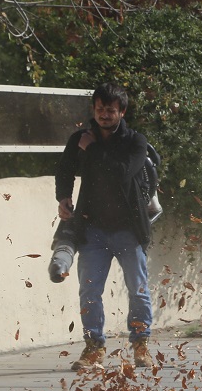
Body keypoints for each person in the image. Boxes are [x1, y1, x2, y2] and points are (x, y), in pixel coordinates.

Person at [55, 82, 157, 369]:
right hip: (92, 230)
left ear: (122, 112)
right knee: (89, 290)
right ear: (93, 110)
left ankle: (140, 345)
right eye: (100, 109)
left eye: (110, 110)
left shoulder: (135, 142)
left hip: (129, 229)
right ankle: (93, 348)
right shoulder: (80, 139)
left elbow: (122, 173)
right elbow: (64, 169)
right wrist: (63, 197)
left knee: (137, 288)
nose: (104, 115)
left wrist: (94, 150)